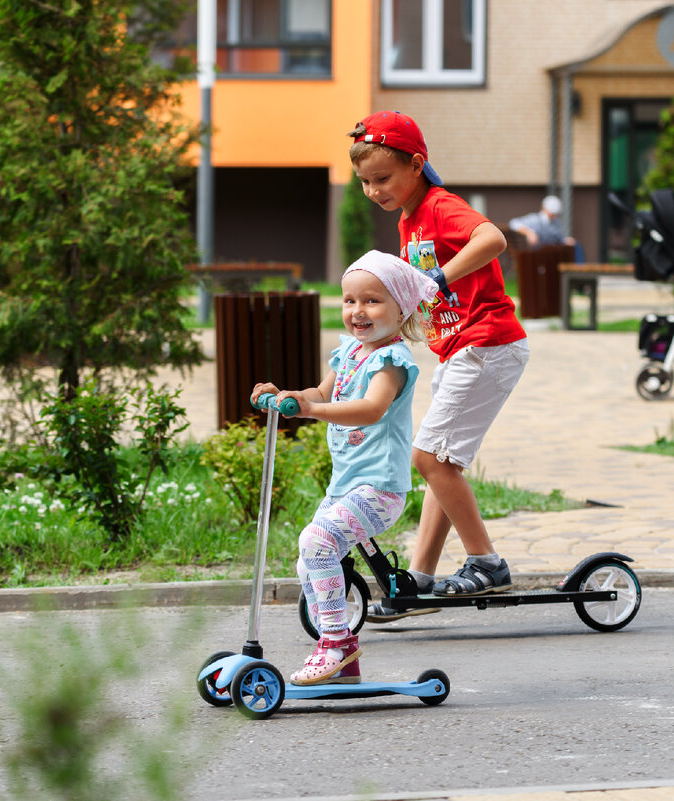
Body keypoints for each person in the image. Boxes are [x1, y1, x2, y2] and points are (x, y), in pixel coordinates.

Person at [347, 110, 530, 621]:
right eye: (364, 182)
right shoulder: (409, 219)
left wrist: (438, 281)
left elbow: (492, 239)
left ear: (418, 164)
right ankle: (419, 581)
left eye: (382, 178)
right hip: (460, 349)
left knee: (429, 458)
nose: (373, 190)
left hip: (488, 343)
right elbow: (414, 298)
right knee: (439, 463)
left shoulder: (439, 205)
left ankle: (486, 562)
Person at [251, 250, 437, 685]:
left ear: (400, 308)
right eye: (350, 301)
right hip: (346, 486)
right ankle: (341, 662)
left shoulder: (391, 361)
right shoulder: (350, 352)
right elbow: (318, 390)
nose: (358, 311)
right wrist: (287, 396)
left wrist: (311, 411)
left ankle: (337, 642)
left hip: (380, 489)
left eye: (372, 301)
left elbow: (372, 409)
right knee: (307, 560)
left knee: (316, 541)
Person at [508, 195, 577, 248]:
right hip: (533, 256)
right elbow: (514, 223)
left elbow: (558, 239)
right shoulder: (534, 220)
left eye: (554, 214)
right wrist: (529, 233)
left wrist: (566, 241)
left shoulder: (556, 223)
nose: (552, 216)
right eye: (551, 213)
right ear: (543, 208)